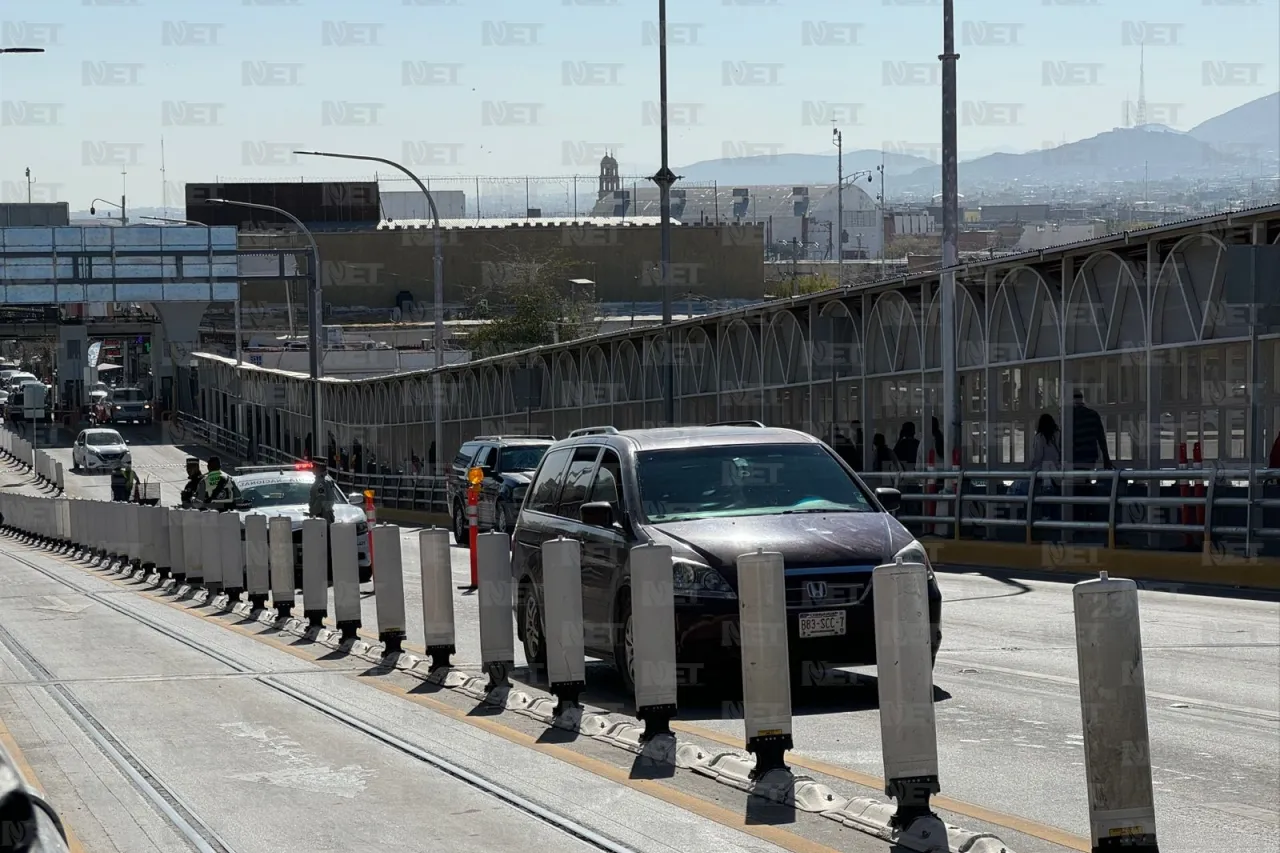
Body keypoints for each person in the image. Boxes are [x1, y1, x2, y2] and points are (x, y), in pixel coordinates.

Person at [1069, 391, 1113, 470]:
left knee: (1074, 479)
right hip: (1089, 455)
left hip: (1074, 455)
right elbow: (1101, 438)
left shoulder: (1069, 416)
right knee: (1086, 477)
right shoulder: (1093, 414)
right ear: (1082, 399)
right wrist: (1106, 458)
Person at [308, 458, 335, 523]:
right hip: (326, 516)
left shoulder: (321, 483)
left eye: (313, 466)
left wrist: (312, 512)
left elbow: (320, 499)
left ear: (318, 467)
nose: (312, 468)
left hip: (321, 517)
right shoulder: (327, 480)